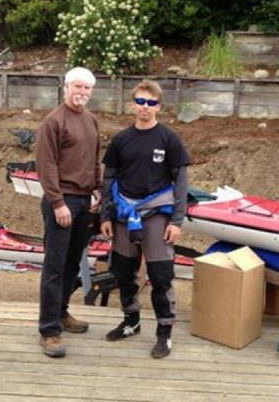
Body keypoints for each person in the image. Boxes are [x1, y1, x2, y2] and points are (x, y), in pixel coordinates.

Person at [100, 79, 191, 359]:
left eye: (151, 103)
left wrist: (177, 221)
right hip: (124, 216)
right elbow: (109, 178)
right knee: (124, 273)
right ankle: (131, 321)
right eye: (140, 101)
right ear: (132, 104)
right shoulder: (121, 140)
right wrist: (106, 215)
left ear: (159, 107)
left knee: (161, 278)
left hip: (155, 217)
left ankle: (164, 333)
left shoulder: (169, 139)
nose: (145, 107)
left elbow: (181, 183)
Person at [35, 66, 102, 358]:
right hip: (61, 202)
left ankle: (61, 312)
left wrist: (97, 189)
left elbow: (94, 158)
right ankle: (49, 330)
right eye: (78, 87)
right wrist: (58, 202)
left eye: (87, 89)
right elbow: (46, 165)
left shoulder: (91, 121)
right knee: (54, 266)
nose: (82, 93)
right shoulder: (54, 122)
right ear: (66, 88)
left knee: (73, 263)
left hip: (84, 200)